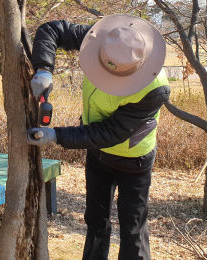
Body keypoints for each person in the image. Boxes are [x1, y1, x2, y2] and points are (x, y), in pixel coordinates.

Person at [26, 14, 170, 260]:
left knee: (133, 227)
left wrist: (56, 135)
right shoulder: (104, 41)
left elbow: (110, 133)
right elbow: (52, 30)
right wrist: (43, 69)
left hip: (133, 161)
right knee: (95, 222)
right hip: (98, 156)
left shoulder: (155, 88)